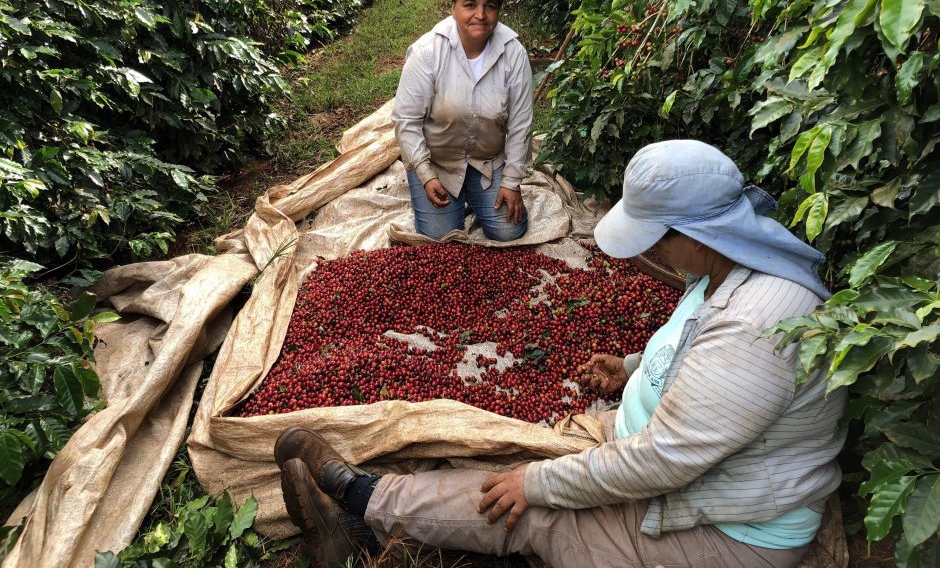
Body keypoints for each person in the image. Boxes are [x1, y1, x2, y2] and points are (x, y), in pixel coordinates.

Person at [275, 140, 848, 568]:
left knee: (532, 510)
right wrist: (629, 370)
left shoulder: (757, 326)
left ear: (696, 234)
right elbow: (692, 343)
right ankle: (379, 504)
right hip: (661, 459)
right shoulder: (723, 268)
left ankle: (360, 514)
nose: (654, 255)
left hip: (721, 525)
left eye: (659, 242)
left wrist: (538, 485)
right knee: (516, 466)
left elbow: (663, 461)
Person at [391, 0, 533, 241]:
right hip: (438, 163)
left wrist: (512, 181)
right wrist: (425, 174)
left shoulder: (513, 54)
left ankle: (477, 194)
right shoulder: (427, 52)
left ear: (498, 11)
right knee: (440, 236)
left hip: (487, 163)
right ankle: (451, 197)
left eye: (490, 5)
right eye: (470, 4)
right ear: (453, 7)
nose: (480, 14)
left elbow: (521, 123)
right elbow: (406, 120)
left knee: (509, 230)